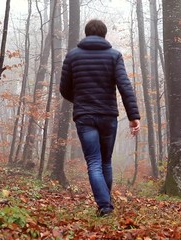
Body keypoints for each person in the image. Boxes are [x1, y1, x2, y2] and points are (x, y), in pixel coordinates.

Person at [60, 19, 141, 217]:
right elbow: (125, 86)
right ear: (104, 34)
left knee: (94, 162)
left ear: (86, 33)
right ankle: (106, 203)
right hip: (108, 116)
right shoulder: (114, 56)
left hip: (85, 116)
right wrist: (134, 116)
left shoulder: (72, 56)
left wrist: (80, 100)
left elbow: (64, 89)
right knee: (105, 162)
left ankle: (105, 206)